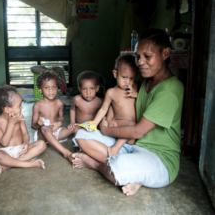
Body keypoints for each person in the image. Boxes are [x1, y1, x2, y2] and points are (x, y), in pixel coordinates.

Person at [72, 28, 184, 196]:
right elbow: (117, 98)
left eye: (147, 56)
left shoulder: (170, 90)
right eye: (138, 57)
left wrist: (107, 129)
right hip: (131, 145)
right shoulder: (141, 80)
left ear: (165, 53)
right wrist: (108, 119)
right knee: (81, 135)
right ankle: (134, 174)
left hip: (159, 157)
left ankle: (95, 164)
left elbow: (139, 131)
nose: (140, 62)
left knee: (120, 166)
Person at [0, 85, 46, 174]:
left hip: (20, 151)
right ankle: (28, 164)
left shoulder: (20, 117)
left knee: (42, 144)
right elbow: (4, 143)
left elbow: (25, 134)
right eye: (19, 105)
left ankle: (9, 164)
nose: (22, 108)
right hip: (5, 153)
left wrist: (26, 143)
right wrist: (11, 124)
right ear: (7, 109)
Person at [90, 54, 138, 157]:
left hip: (132, 127)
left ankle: (117, 146)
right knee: (109, 123)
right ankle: (115, 148)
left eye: (132, 78)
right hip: (118, 123)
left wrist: (136, 95)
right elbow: (103, 109)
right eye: (124, 77)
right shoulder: (111, 92)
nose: (128, 82)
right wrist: (94, 123)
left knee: (132, 135)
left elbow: (144, 100)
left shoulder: (135, 88)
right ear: (115, 74)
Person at [32, 70, 74, 163]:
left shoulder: (59, 103)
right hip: (43, 134)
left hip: (56, 132)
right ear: (40, 89)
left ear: (57, 88)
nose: (51, 91)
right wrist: (38, 124)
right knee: (45, 129)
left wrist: (59, 122)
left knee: (76, 127)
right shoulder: (37, 105)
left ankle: (80, 150)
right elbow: (33, 125)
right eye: (47, 87)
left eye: (54, 87)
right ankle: (65, 152)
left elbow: (61, 117)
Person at [67, 71, 102, 135]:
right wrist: (72, 122)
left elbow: (102, 114)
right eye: (84, 89)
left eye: (91, 88)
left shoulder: (99, 102)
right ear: (79, 89)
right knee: (75, 129)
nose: (88, 93)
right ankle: (78, 142)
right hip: (80, 126)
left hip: (93, 127)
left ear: (97, 88)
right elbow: (72, 109)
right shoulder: (77, 99)